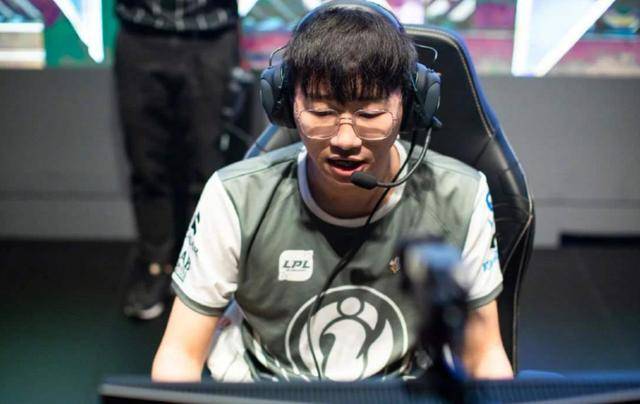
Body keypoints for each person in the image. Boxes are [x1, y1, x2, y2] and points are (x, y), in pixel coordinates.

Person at [152, 0, 513, 381]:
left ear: (412, 105)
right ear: (285, 104)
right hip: (265, 391)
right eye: (322, 113)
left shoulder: (460, 197)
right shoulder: (235, 198)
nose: (345, 140)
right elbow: (179, 354)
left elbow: (484, 355)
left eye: (369, 114)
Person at [114, 0, 239, 320]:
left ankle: (202, 269)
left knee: (208, 166)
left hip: (210, 33)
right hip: (140, 31)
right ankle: (155, 265)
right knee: (146, 163)